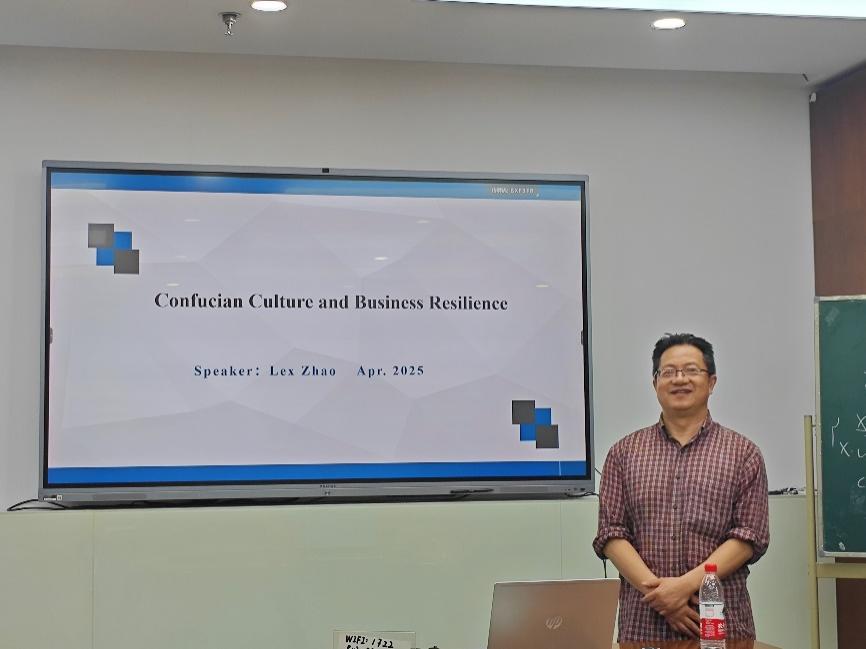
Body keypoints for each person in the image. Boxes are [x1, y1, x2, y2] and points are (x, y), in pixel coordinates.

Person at [592, 333, 769, 642]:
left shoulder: (743, 453)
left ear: (711, 382)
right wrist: (662, 596)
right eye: (669, 372)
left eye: (691, 370)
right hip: (643, 625)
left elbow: (748, 538)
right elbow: (611, 534)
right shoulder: (623, 453)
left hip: (720, 623)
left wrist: (683, 587)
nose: (679, 379)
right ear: (655, 382)